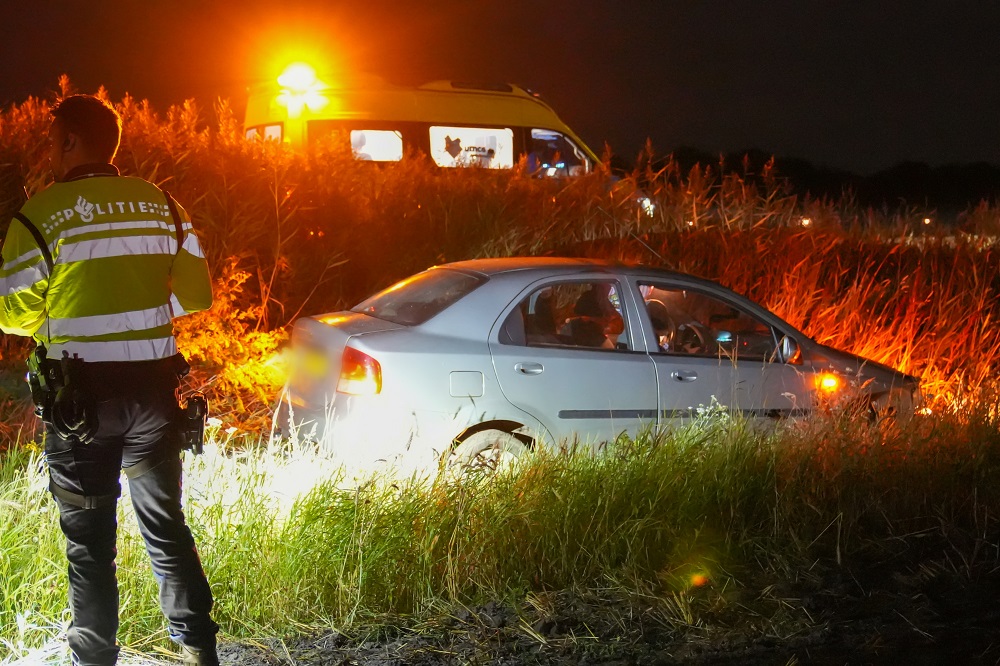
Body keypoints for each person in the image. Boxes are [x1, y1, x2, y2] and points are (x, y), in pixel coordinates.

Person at [0, 95, 218, 666]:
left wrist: (64, 311)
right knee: (167, 528)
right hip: (154, 400)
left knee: (90, 548)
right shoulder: (163, 205)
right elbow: (197, 296)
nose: (48, 151)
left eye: (51, 140)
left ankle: (93, 659)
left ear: (70, 140)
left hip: (80, 408)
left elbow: (9, 312)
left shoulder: (40, 214)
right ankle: (199, 650)